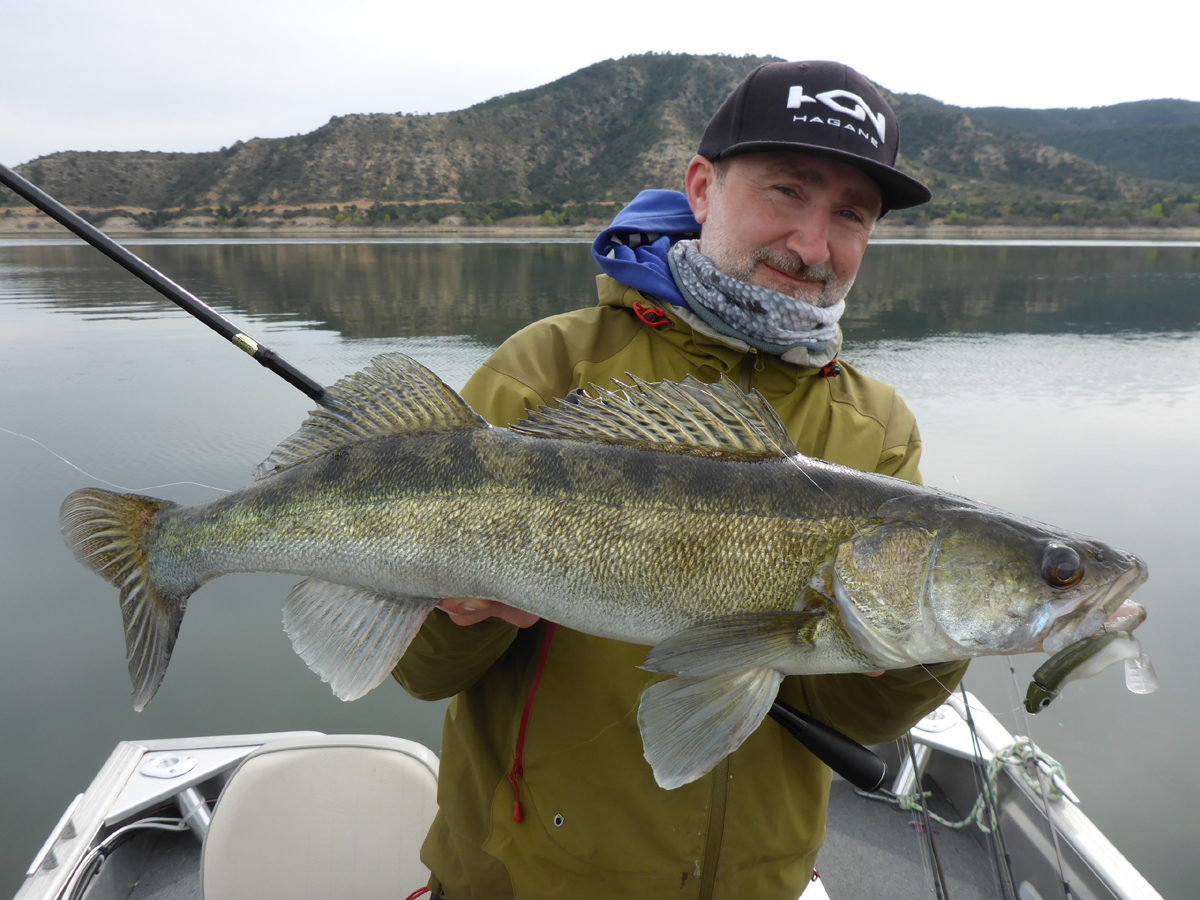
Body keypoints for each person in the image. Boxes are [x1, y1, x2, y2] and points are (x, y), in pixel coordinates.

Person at [394, 60, 968, 899]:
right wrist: (463, 612)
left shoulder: (876, 427)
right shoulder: (549, 368)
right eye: (786, 192)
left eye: (852, 214)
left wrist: (945, 634)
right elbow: (422, 672)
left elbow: (858, 718)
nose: (815, 246)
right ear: (701, 189)